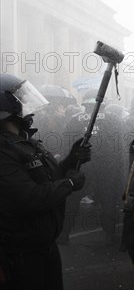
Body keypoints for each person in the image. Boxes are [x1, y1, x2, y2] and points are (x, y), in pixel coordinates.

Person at [0, 73, 90, 290]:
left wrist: (71, 159)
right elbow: (28, 197)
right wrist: (69, 184)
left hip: (43, 246)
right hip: (19, 254)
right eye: (22, 97)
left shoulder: (23, 139)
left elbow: (45, 177)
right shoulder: (3, 149)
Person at [62, 89, 124, 245]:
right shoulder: (114, 119)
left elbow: (66, 146)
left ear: (84, 104)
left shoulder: (74, 120)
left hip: (81, 166)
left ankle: (63, 234)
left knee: (72, 199)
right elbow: (120, 147)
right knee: (107, 200)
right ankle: (109, 234)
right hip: (107, 168)